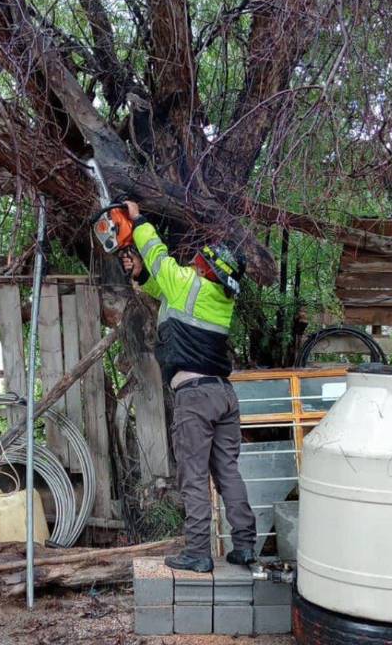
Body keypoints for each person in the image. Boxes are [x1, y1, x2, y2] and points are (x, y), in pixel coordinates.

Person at [117, 201, 257, 573]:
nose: (196, 260)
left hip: (194, 398)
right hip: (224, 395)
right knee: (228, 472)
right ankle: (244, 546)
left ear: (207, 267)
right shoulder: (219, 300)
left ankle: (198, 552)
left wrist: (138, 220)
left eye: (202, 260)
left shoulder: (184, 283)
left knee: (193, 475)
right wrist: (141, 275)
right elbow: (163, 287)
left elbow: (158, 254)